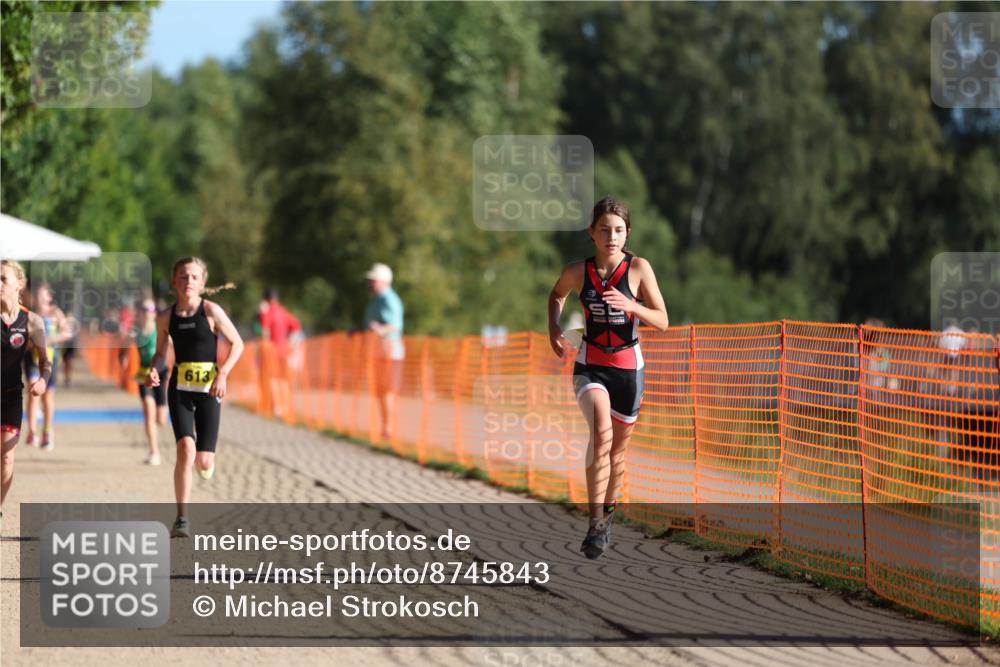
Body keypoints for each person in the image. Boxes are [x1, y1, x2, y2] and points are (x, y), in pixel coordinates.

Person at [547, 197, 669, 559]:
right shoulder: (577, 270)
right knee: (600, 432)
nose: (611, 236)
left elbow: (662, 321)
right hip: (591, 366)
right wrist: (553, 327)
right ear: (592, 233)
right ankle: (595, 522)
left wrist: (633, 306)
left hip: (629, 371)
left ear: (627, 233)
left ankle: (608, 514)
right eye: (604, 230)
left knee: (617, 452)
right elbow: (556, 295)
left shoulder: (639, 269)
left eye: (618, 230)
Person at [147, 258, 244, 538]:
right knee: (185, 450)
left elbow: (238, 343)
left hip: (210, 392)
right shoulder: (166, 317)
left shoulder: (211, 311)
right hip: (180, 390)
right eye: (183, 276)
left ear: (202, 283)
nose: (188, 281)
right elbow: (160, 353)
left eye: (194, 277)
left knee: (202, 461)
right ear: (175, 281)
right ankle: (182, 518)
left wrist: (223, 373)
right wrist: (154, 369)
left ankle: (207, 462)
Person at [1, 261, 50, 509]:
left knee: (7, 458)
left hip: (10, 396)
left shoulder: (33, 321)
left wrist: (43, 380)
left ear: (19, 284)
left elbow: (45, 361)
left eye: (3, 279)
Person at [22, 283, 70, 451]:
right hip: (31, 358)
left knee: (48, 397)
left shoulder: (55, 313)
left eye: (44, 295)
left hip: (50, 358)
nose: (41, 298)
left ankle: (47, 432)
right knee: (32, 391)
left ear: (50, 297)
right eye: (38, 295)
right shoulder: (29, 314)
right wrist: (30, 343)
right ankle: (32, 431)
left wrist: (49, 340)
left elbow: (67, 332)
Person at [363, 263, 405, 442]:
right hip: (379, 353)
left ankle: (389, 428)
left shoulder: (389, 299)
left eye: (374, 280)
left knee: (388, 391)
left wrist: (379, 330)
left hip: (391, 353)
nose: (370, 283)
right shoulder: (376, 300)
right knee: (381, 391)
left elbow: (394, 325)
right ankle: (385, 427)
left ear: (383, 281)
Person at [132, 299, 168, 466]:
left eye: (150, 309)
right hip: (143, 373)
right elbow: (124, 346)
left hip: (160, 372)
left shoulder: (160, 329)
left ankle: (155, 436)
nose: (147, 312)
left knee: (161, 419)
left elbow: (173, 346)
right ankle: (154, 451)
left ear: (154, 313)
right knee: (148, 411)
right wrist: (123, 357)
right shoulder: (136, 332)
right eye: (144, 309)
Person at [258, 287, 303, 417]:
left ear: (266, 299)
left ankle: (277, 407)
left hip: (272, 351)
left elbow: (265, 332)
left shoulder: (267, 313)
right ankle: (285, 406)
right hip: (285, 350)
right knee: (284, 380)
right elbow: (297, 327)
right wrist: (290, 342)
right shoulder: (284, 311)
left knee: (273, 379)